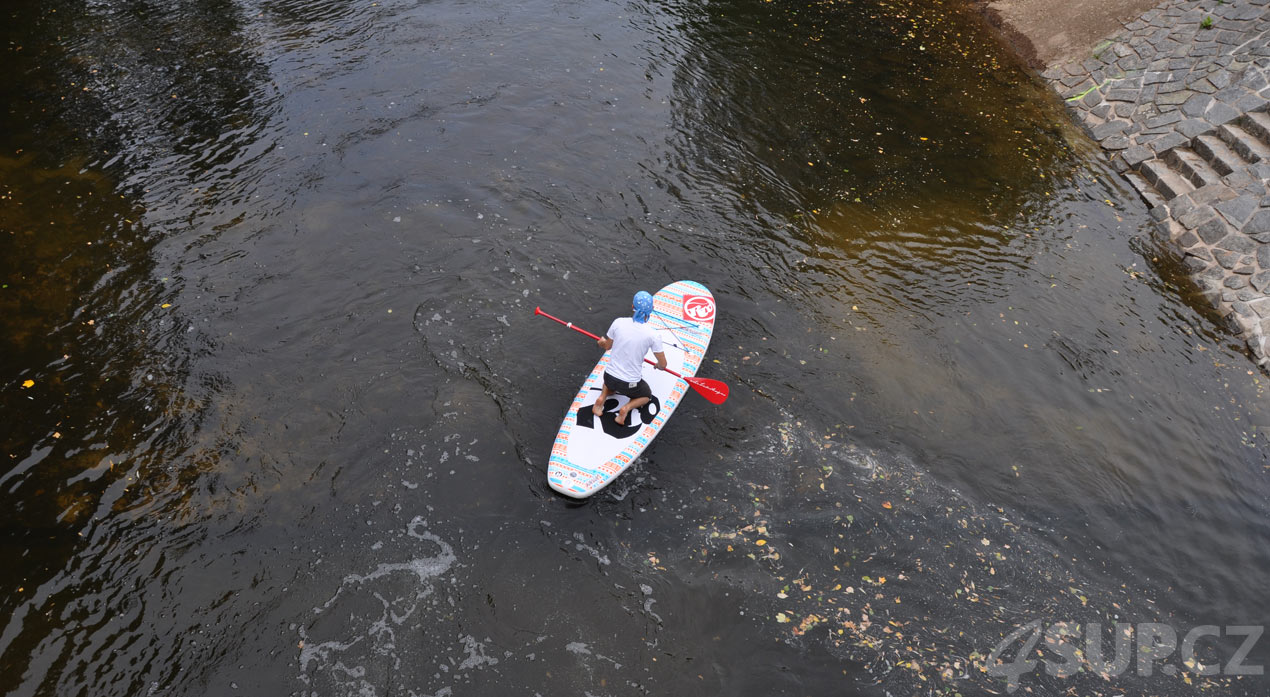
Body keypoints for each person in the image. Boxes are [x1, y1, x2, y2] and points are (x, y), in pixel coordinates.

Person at [593, 291, 667, 426]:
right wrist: (657, 365)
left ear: (632, 306)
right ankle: (625, 409)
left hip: (608, 377)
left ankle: (602, 399)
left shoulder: (618, 322)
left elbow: (607, 347)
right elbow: (663, 365)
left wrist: (601, 342)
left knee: (611, 383)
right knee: (646, 395)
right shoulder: (653, 335)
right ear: (652, 310)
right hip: (629, 384)